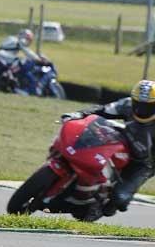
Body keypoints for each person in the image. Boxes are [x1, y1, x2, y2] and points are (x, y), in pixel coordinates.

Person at [61, 79, 155, 218]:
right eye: (138, 103)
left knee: (120, 199)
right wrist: (80, 114)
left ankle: (105, 206)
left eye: (148, 105)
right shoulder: (127, 104)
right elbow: (102, 110)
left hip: (144, 163)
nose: (141, 108)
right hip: (124, 142)